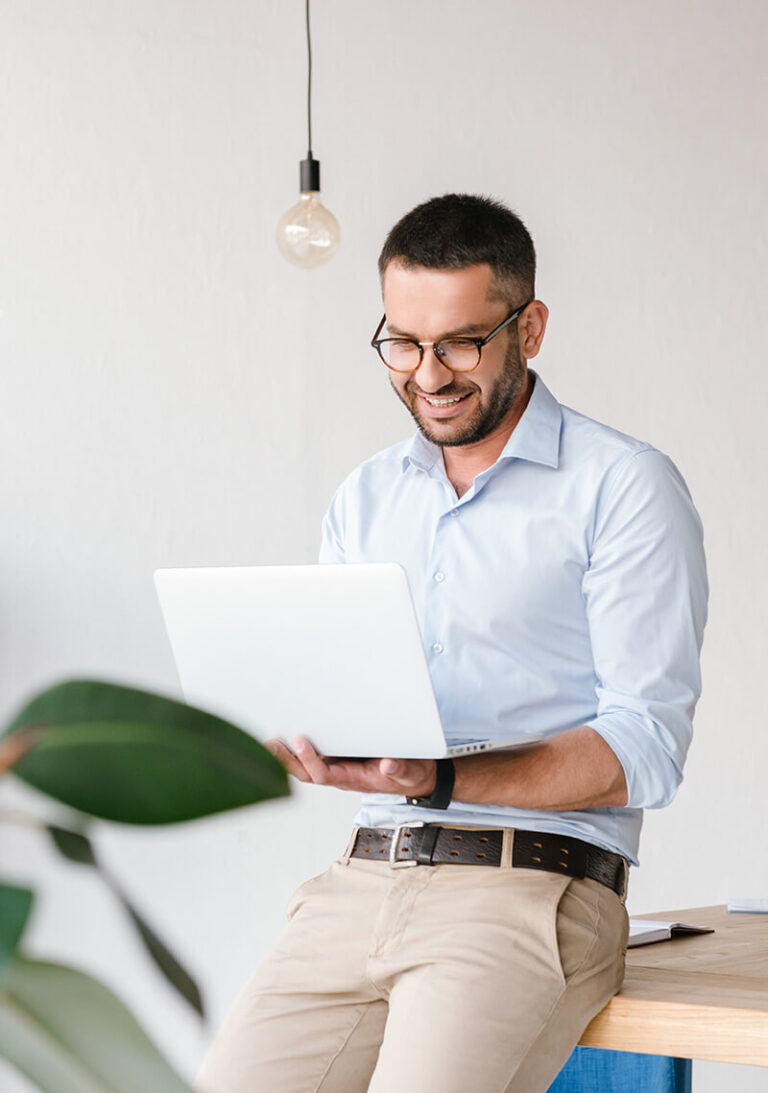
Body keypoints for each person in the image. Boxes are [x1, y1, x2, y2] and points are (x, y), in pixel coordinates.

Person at [196, 194, 708, 1093]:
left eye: (460, 343)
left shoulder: (622, 487)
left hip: (526, 890)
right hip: (357, 881)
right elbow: (345, 696)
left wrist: (438, 777)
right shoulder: (366, 496)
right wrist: (296, 730)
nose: (427, 374)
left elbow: (644, 748)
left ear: (530, 326)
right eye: (402, 341)